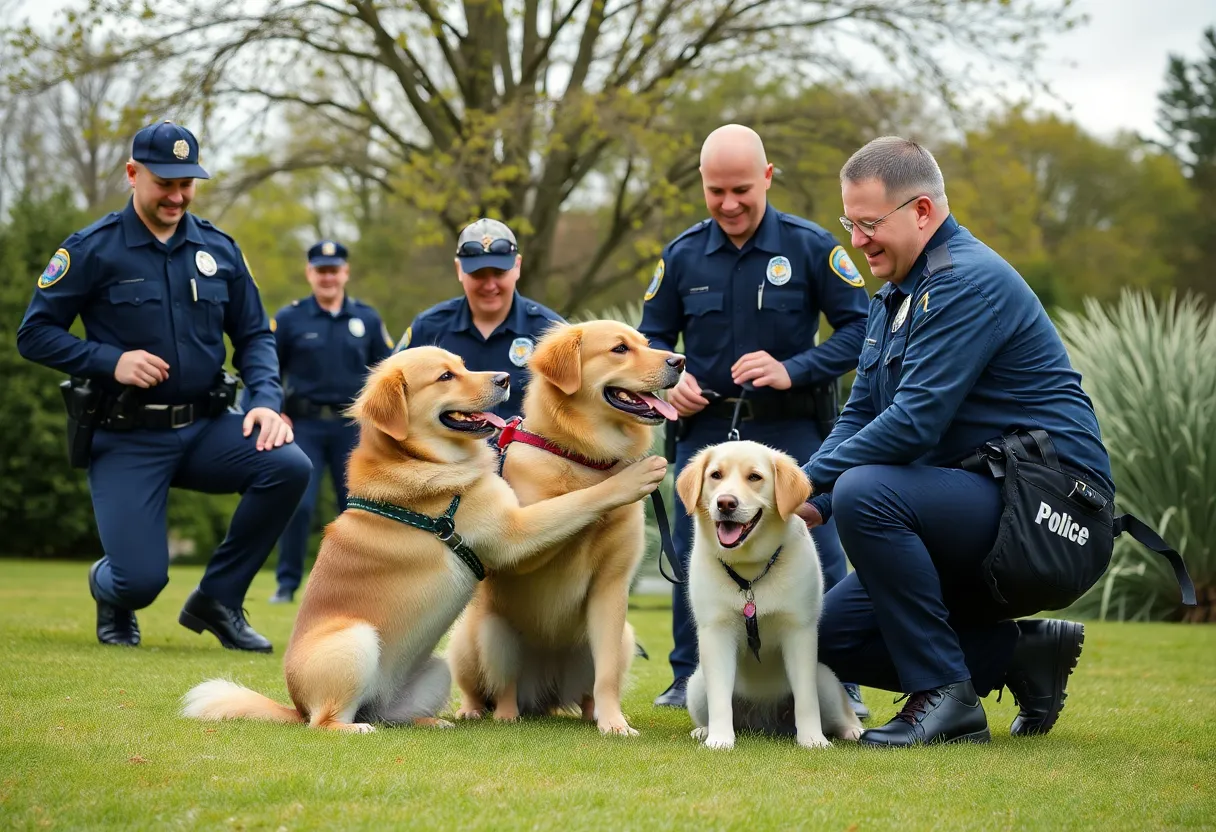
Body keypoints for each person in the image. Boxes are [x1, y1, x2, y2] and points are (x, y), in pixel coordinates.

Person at [801, 136, 1109, 747]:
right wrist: (807, 498)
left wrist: (809, 483)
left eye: (868, 224)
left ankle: (945, 696)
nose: (856, 241)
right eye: (849, 223)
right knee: (826, 636)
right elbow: (860, 413)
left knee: (867, 491)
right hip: (975, 506)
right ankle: (1018, 653)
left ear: (921, 211)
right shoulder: (894, 297)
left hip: (1054, 516)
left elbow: (913, 423)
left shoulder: (966, 281)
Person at [16, 120, 312, 652]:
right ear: (133, 174)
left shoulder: (219, 250)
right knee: (140, 581)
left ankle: (218, 599)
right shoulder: (93, 249)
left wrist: (266, 402)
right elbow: (34, 334)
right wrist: (111, 360)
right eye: (165, 183)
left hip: (205, 428)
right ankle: (112, 588)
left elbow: (254, 337)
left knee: (288, 465)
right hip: (126, 434)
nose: (177, 195)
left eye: (187, 183)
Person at [639, 124, 870, 712]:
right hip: (710, 435)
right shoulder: (683, 254)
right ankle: (687, 676)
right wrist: (674, 379)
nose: (729, 203)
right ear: (702, 185)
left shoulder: (812, 246)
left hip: (792, 427)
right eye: (716, 191)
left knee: (819, 547)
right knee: (700, 549)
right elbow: (650, 340)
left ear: (767, 177)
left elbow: (863, 330)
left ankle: (841, 681)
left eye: (742, 188)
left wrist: (796, 367)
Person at [263, 240, 394, 603]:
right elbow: (267, 369)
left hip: (351, 428)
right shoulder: (289, 319)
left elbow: (387, 372)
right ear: (310, 273)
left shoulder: (366, 319)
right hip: (301, 424)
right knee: (298, 503)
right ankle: (287, 584)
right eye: (321, 270)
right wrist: (273, 409)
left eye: (334, 270)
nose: (328, 277)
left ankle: (357, 583)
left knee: (357, 505)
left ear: (345, 273)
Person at [394, 218, 564, 422]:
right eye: (478, 274)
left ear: (517, 266)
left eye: (499, 272)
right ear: (459, 270)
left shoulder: (551, 333)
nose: (490, 285)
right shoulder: (428, 329)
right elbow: (392, 399)